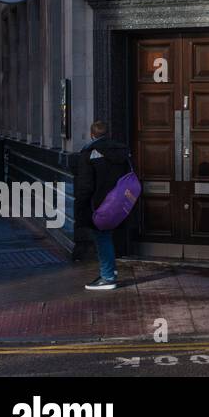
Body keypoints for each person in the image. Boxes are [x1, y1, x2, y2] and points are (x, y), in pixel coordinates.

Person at [74, 120, 132, 292]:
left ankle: (108, 277)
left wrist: (79, 208)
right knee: (107, 237)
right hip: (120, 202)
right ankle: (109, 272)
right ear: (107, 133)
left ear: (92, 134)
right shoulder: (121, 151)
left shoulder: (88, 153)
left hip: (99, 205)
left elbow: (85, 186)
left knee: (102, 238)